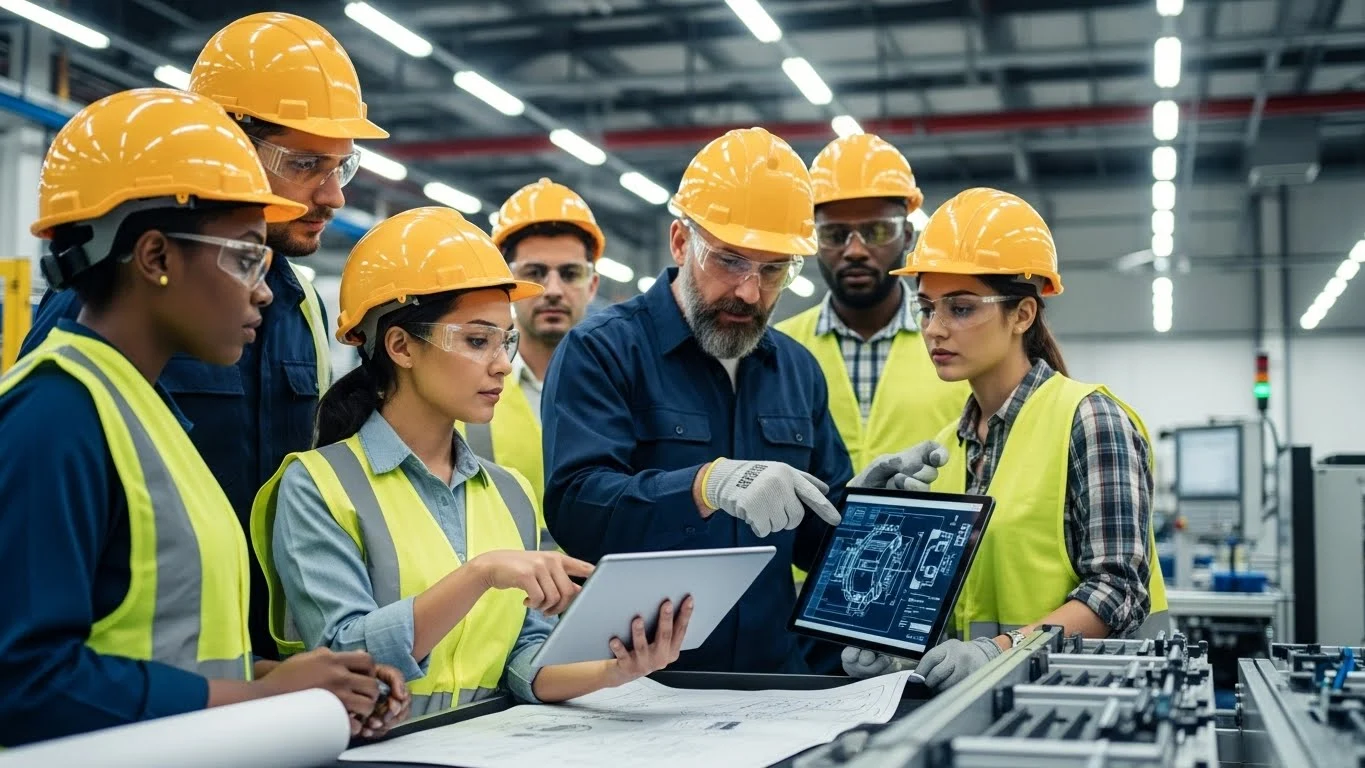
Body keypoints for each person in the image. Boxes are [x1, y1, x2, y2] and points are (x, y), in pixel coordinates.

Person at [0, 88, 407, 748]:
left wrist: (294, 681)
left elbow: (167, 646)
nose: (264, 290)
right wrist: (259, 698)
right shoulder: (54, 418)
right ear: (156, 257)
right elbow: (23, 683)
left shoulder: (144, 414)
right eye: (245, 256)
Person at [251, 207, 692, 716]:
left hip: (485, 742)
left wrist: (613, 670)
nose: (503, 364)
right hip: (377, 745)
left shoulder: (509, 493)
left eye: (506, 341)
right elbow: (345, 658)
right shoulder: (318, 486)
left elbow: (523, 655)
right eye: (478, 341)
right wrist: (479, 574)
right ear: (401, 346)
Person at [541, 127, 852, 675]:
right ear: (681, 242)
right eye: (729, 260)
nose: (750, 292)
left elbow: (814, 543)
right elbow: (577, 511)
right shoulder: (603, 351)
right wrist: (703, 486)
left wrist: (874, 512)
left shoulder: (797, 370)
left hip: (772, 681)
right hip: (636, 683)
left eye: (773, 270)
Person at [841, 188, 1169, 689]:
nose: (934, 329)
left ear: (1022, 315)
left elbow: (1118, 591)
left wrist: (997, 652)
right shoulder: (947, 449)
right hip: (979, 708)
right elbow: (958, 607)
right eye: (926, 309)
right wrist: (900, 656)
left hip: (1086, 704)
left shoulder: (1090, 421)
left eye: (961, 309)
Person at [777, 133, 969, 473]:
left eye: (877, 231)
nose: (855, 250)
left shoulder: (961, 344)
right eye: (835, 235)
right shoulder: (777, 350)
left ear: (907, 235)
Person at [459, 177, 605, 547]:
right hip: (496, 582)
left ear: (592, 285)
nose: (553, 290)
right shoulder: (458, 385)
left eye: (570, 274)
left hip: (602, 579)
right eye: (534, 273)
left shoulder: (621, 388)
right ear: (507, 283)